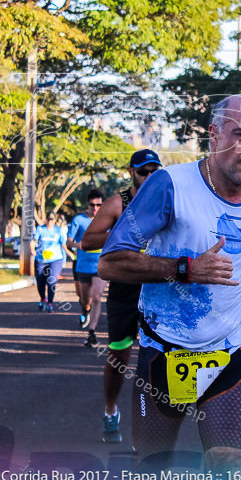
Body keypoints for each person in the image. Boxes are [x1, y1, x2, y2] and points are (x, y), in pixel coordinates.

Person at [97, 93, 241, 470]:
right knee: (153, 469)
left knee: (230, 465)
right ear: (213, 135)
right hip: (165, 348)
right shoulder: (168, 185)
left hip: (231, 348)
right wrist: (185, 269)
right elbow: (110, 263)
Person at [81, 148, 163, 444]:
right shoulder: (119, 203)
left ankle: (150, 425)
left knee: (158, 358)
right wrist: (121, 232)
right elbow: (87, 242)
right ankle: (110, 408)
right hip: (125, 287)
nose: (150, 177)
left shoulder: (166, 201)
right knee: (120, 354)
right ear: (132, 172)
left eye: (155, 171)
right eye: (144, 172)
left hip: (158, 287)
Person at [68, 189, 107, 346]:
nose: (95, 208)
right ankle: (85, 310)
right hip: (82, 265)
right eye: (92, 205)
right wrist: (81, 245)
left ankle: (92, 332)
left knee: (97, 297)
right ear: (87, 204)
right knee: (85, 299)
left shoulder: (106, 220)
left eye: (99, 205)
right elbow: (68, 242)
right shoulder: (78, 220)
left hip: (100, 265)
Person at [31, 212, 69, 313]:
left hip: (55, 259)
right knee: (40, 281)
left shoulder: (58, 230)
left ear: (55, 220)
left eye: (52, 219)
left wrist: (70, 254)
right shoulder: (40, 229)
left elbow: (64, 244)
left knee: (51, 280)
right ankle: (43, 298)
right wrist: (32, 249)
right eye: (48, 219)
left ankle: (50, 303)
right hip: (41, 259)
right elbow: (33, 241)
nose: (49, 221)